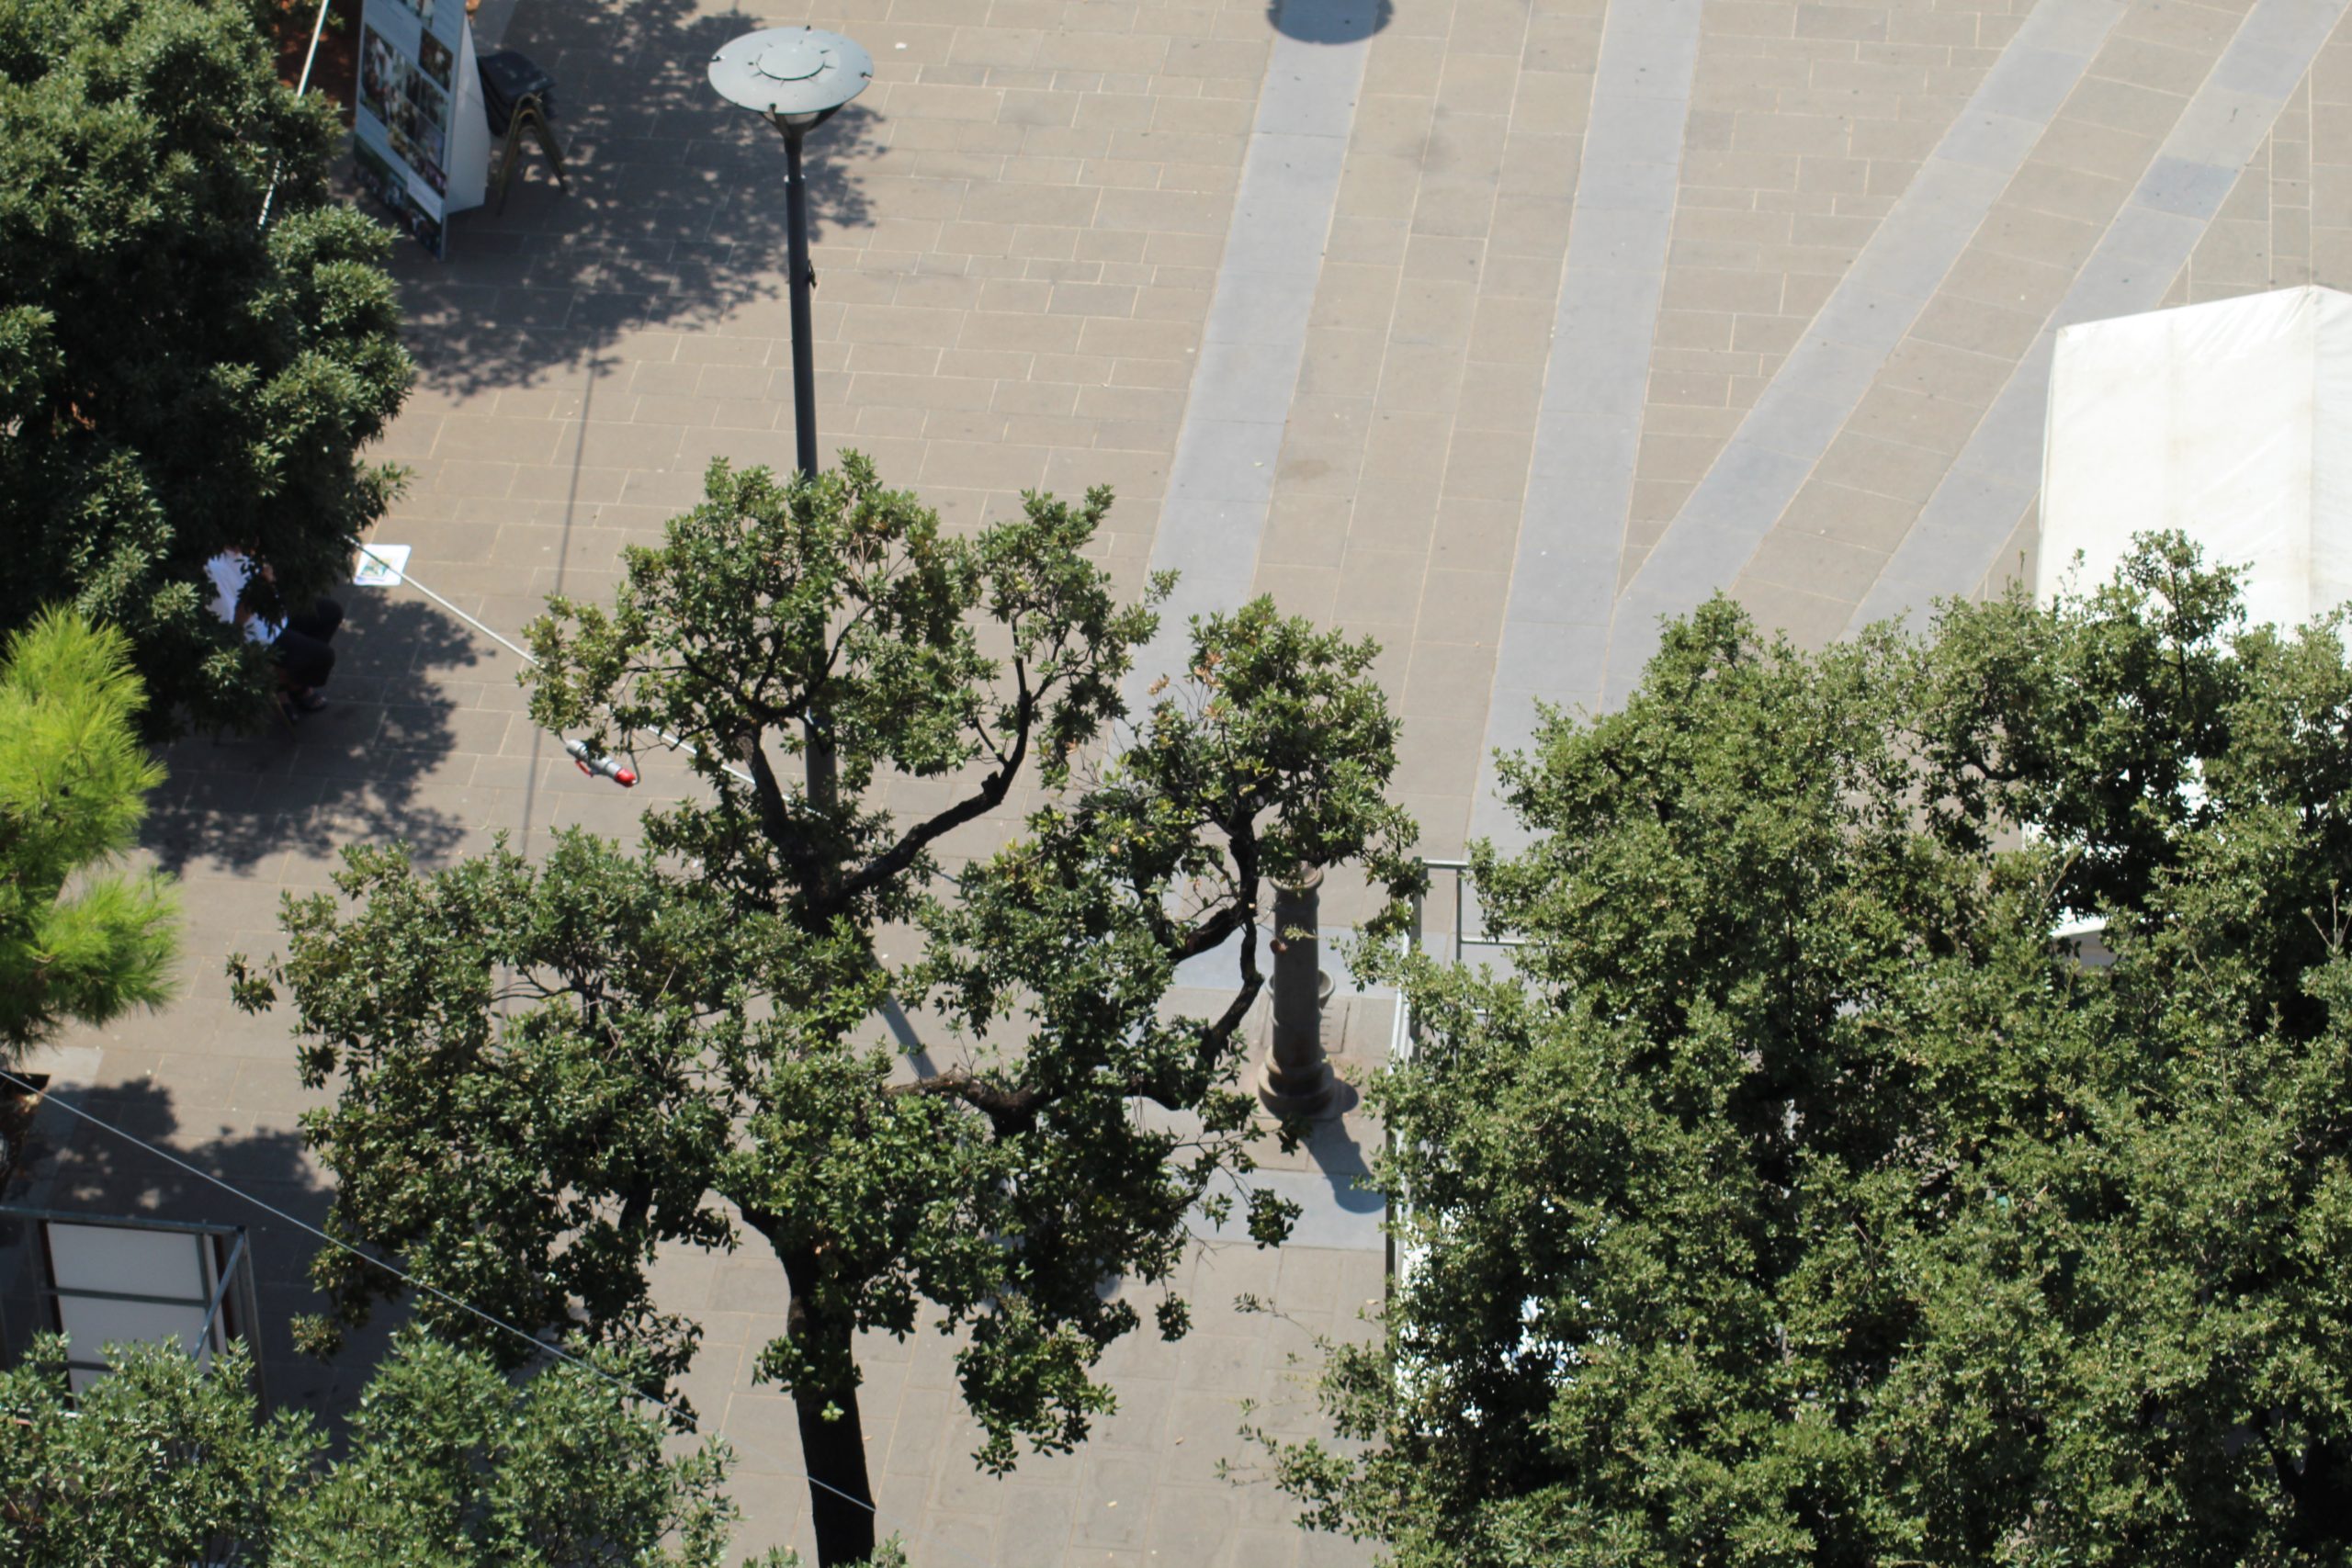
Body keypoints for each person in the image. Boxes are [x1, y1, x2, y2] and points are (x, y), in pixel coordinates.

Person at [206, 550, 343, 715]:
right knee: (324, 657)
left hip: (274, 615)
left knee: (330, 612)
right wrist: (259, 591)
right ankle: (284, 682)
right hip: (256, 635)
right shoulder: (216, 568)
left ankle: (290, 678)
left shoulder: (246, 550)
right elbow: (231, 625)